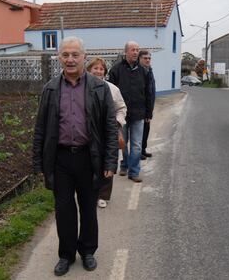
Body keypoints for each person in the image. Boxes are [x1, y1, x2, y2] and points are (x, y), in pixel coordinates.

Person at [33, 37, 118, 276]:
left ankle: (88, 251)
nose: (70, 59)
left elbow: (110, 127)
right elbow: (40, 128)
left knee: (88, 208)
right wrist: (38, 163)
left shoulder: (99, 88)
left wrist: (110, 161)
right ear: (59, 57)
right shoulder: (50, 88)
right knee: (64, 210)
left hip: (88, 158)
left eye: (75, 55)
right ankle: (66, 255)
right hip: (60, 160)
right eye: (65, 55)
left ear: (84, 57)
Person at [108, 41, 152, 183]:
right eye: (132, 50)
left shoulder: (144, 72)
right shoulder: (116, 70)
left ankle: (134, 172)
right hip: (122, 115)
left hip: (139, 114)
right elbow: (110, 94)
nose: (135, 52)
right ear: (125, 52)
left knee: (137, 144)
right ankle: (124, 164)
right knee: (123, 142)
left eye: (137, 50)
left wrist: (148, 113)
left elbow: (149, 93)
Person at [86, 57, 127, 208]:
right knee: (89, 163)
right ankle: (89, 192)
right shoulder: (83, 87)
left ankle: (103, 195)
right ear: (89, 70)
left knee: (107, 162)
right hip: (89, 133)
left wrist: (115, 123)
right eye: (95, 68)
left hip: (108, 132)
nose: (98, 71)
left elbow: (122, 108)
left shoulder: (113, 89)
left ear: (105, 72)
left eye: (101, 68)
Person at [138, 50, 156, 160]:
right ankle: (138, 152)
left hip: (149, 107)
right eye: (145, 58)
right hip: (141, 108)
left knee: (146, 130)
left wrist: (150, 110)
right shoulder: (139, 72)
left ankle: (143, 150)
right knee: (139, 132)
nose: (147, 60)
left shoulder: (149, 70)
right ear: (139, 59)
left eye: (149, 58)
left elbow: (151, 91)